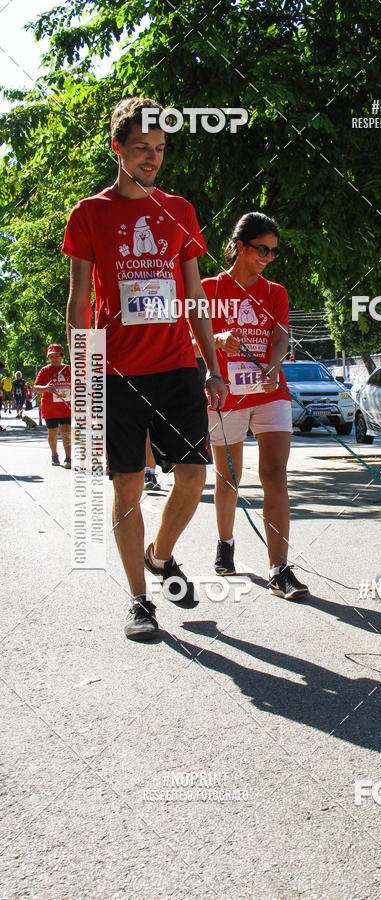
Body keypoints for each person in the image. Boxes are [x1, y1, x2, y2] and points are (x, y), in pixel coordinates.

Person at [63, 96, 227, 642]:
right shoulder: (90, 213)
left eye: (159, 149)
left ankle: (162, 555)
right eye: (141, 149)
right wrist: (84, 372)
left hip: (178, 363)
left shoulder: (178, 209)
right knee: (128, 484)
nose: (152, 159)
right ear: (117, 148)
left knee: (194, 476)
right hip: (118, 372)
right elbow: (80, 298)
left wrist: (212, 362)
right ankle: (139, 600)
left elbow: (196, 291)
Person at [203, 211, 308, 600]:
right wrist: (216, 337)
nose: (267, 257)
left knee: (275, 473)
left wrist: (273, 362)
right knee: (228, 477)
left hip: (270, 392)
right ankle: (225, 542)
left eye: (273, 252)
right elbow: (191, 338)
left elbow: (281, 337)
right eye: (261, 249)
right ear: (241, 246)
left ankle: (279, 569)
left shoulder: (274, 292)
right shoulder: (209, 288)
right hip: (225, 395)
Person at [33, 344, 72, 467]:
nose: (54, 359)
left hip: (65, 407)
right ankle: (54, 455)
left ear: (62, 356)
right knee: (52, 433)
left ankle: (68, 458)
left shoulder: (69, 369)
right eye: (51, 357)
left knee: (66, 432)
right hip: (50, 408)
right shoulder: (45, 370)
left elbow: (79, 383)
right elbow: (36, 388)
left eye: (57, 356)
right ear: (48, 357)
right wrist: (45, 388)